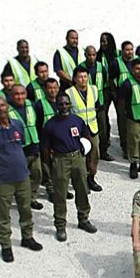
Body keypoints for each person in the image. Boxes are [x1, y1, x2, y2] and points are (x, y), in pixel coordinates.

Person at [0, 96, 42, 263]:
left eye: (3, 105)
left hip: (22, 176)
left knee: (25, 209)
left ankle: (27, 237)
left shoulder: (17, 124)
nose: (1, 108)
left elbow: (21, 144)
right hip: (3, 180)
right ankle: (5, 245)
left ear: (7, 106)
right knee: (3, 215)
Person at [41, 93, 98, 241]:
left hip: (77, 157)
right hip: (61, 160)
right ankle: (60, 225)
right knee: (60, 194)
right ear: (56, 106)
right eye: (61, 104)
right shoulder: (50, 125)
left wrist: (89, 160)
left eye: (66, 104)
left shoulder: (77, 121)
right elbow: (45, 149)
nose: (64, 107)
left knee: (82, 190)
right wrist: (49, 165)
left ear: (70, 105)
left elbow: (87, 139)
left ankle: (83, 219)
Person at [6, 84, 47, 210]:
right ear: (11, 96)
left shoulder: (32, 105)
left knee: (36, 174)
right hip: (17, 151)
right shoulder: (6, 110)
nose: (20, 97)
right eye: (16, 94)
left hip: (33, 146)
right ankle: (20, 200)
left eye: (22, 94)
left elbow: (38, 123)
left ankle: (31, 199)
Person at [65, 67, 103, 192]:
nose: (83, 79)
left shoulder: (94, 89)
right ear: (75, 79)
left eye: (85, 76)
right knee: (80, 157)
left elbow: (97, 106)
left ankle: (91, 177)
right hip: (78, 131)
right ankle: (82, 181)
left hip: (92, 127)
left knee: (95, 154)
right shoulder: (69, 93)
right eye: (80, 77)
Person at [116, 59, 140, 179]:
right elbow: (121, 101)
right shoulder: (127, 83)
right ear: (132, 70)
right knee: (133, 141)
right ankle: (133, 163)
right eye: (137, 69)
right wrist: (127, 113)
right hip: (134, 117)